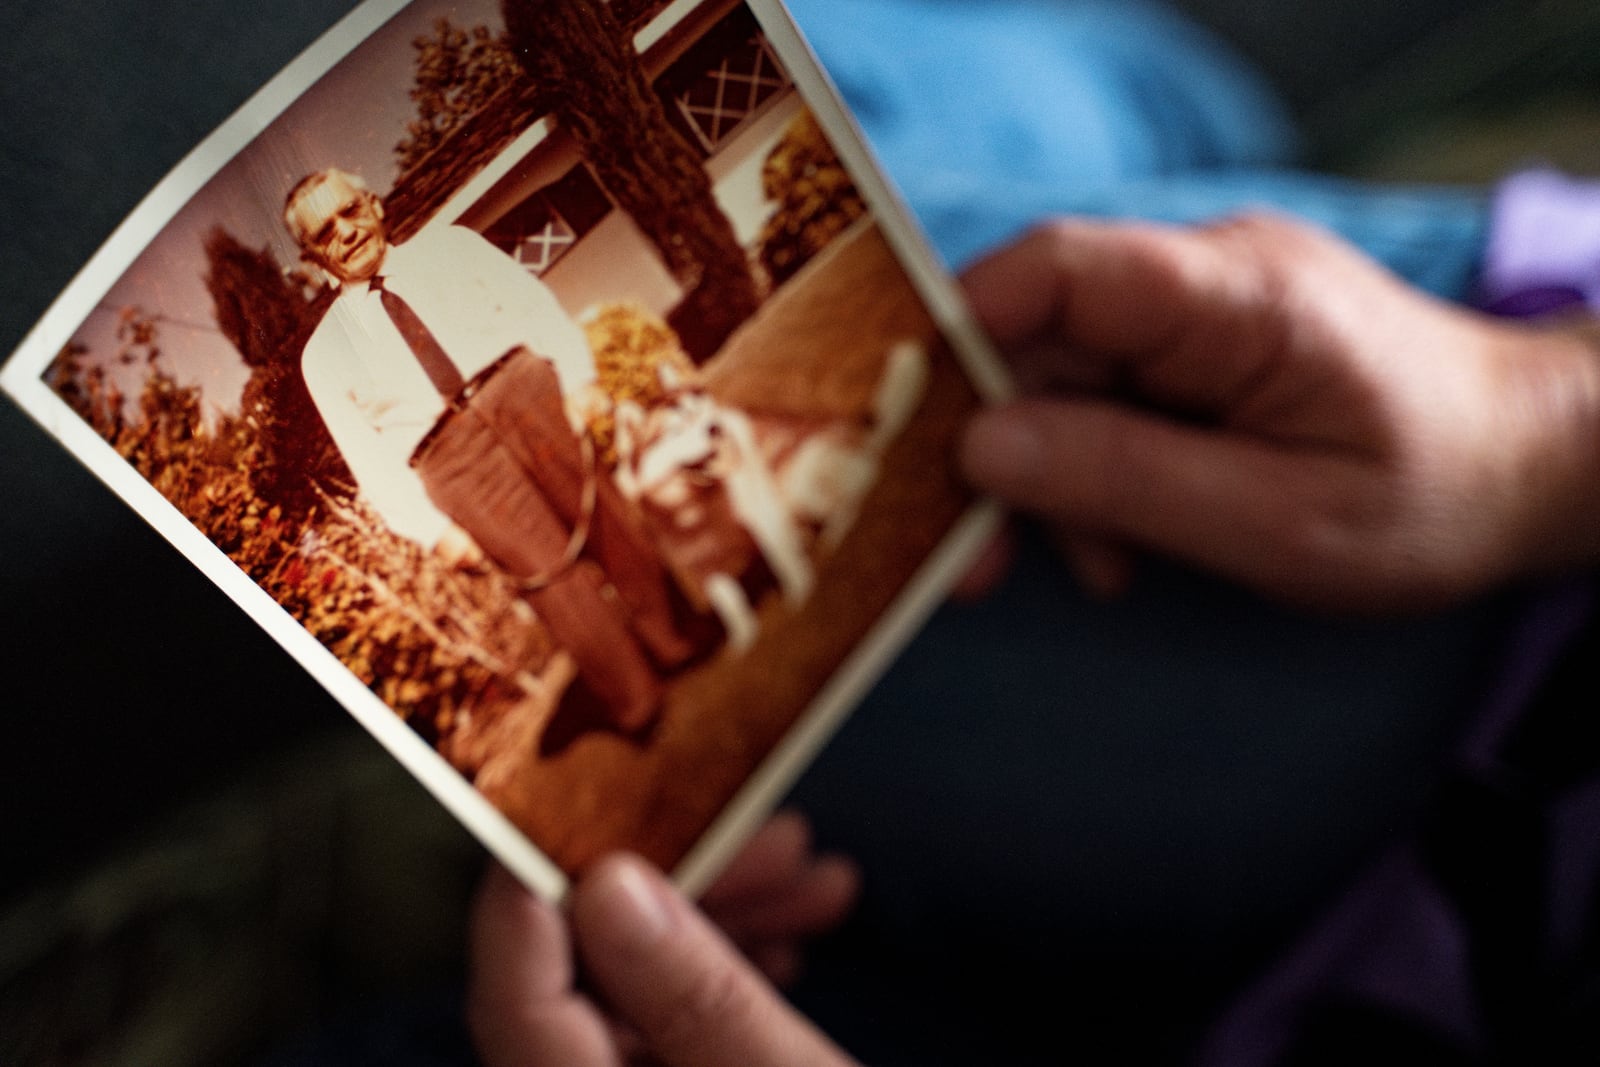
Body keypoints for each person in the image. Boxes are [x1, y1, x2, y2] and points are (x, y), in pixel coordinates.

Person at [461, 2, 1600, 1063]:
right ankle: (1174, 105)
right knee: (887, 174)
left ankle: (1165, 105)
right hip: (1528, 612)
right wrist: (1555, 419)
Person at [285, 168, 710, 731]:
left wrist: (580, 380)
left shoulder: (450, 246)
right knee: (547, 576)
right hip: (452, 459)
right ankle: (636, 700)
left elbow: (531, 304)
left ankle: (677, 638)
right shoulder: (324, 355)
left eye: (350, 211)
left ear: (374, 206)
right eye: (324, 233)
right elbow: (370, 461)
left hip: (523, 393)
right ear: (313, 259)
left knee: (603, 513)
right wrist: (434, 533)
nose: (346, 232)